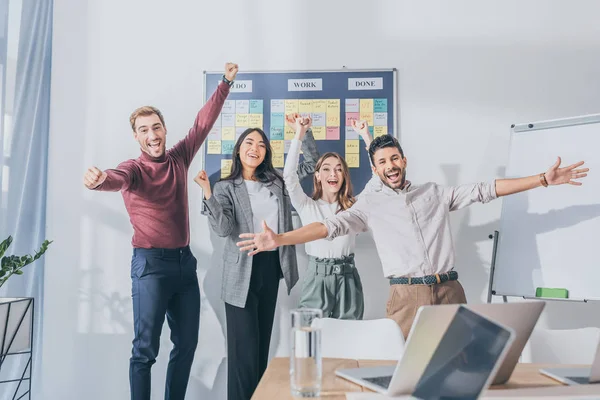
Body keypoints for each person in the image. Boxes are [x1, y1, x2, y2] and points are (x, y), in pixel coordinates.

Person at [236, 132, 588, 339]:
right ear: (375, 170)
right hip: (406, 296)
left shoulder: (434, 192)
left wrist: (541, 180)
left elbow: (486, 189)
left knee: (459, 367)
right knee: (405, 376)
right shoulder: (368, 205)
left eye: (394, 159)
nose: (390, 166)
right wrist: (280, 239)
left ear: (403, 160)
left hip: (450, 290)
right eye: (382, 163)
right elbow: (328, 227)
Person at [82, 63, 238, 400]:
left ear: (165, 130)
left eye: (156, 128)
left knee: (186, 345)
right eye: (144, 130)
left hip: (184, 265)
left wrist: (225, 83)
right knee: (145, 349)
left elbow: (202, 123)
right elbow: (115, 178)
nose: (152, 135)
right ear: (136, 137)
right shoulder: (134, 170)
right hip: (150, 267)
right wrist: (100, 181)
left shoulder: (179, 158)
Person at [194, 115, 319, 400]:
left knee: (262, 350)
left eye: (261, 144)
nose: (255, 148)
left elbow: (313, 165)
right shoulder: (225, 186)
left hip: (270, 267)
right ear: (239, 149)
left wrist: (305, 132)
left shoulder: (277, 181)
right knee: (244, 354)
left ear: (266, 153)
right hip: (240, 271)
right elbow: (224, 229)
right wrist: (207, 193)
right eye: (249, 142)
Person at [283, 118, 375, 319]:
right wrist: (299, 133)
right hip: (317, 278)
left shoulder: (354, 208)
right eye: (326, 168)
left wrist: (366, 136)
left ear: (344, 176)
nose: (332, 173)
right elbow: (289, 177)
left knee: (348, 338)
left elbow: (378, 182)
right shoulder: (306, 205)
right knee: (310, 337)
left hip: (348, 277)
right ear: (317, 176)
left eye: (338, 168)